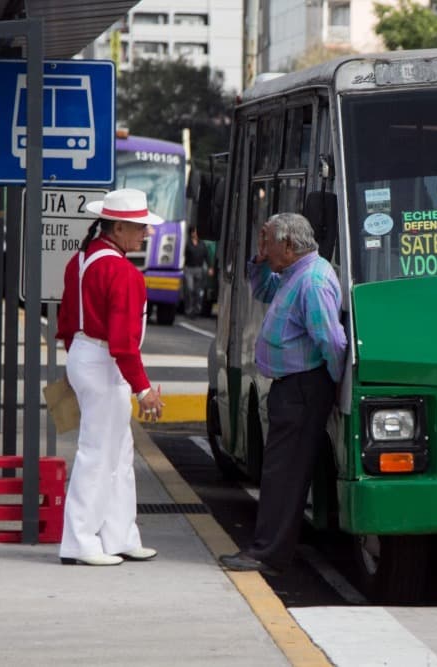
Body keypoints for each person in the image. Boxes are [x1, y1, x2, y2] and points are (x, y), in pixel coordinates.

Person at [219, 212, 347, 575]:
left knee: (285, 475)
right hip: (294, 387)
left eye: (271, 243)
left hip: (304, 388)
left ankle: (268, 553)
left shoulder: (313, 280)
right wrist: (259, 260)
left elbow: (331, 341)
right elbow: (261, 289)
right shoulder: (294, 273)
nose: (267, 250)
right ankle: (267, 548)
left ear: (289, 245)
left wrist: (333, 385)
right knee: (278, 473)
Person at [55, 188, 165, 567]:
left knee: (114, 452)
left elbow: (66, 322)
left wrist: (81, 359)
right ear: (118, 227)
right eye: (139, 228)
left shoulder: (82, 259)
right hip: (104, 362)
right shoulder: (123, 273)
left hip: (87, 356)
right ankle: (81, 541)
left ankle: (119, 536)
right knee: (101, 454)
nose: (146, 235)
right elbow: (123, 343)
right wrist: (144, 389)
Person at [182, 225, 211, 316]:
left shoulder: (202, 244)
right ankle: (188, 308)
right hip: (189, 268)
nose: (195, 233)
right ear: (191, 233)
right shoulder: (188, 244)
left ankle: (196, 308)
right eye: (194, 231)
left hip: (199, 269)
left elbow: (207, 256)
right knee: (189, 289)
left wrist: (210, 267)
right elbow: (184, 256)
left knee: (197, 290)